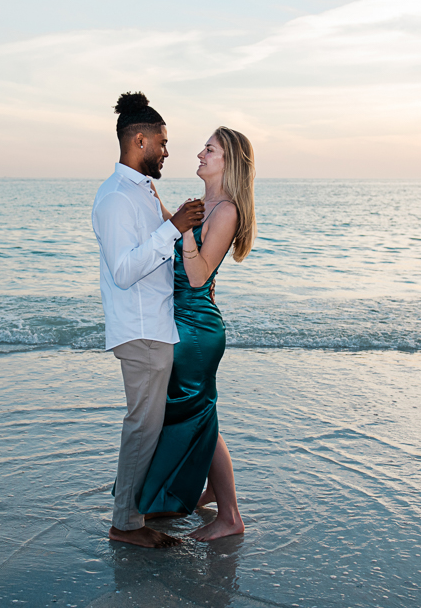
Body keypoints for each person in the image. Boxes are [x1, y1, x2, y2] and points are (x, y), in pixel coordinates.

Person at [91, 92, 205, 549]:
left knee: (150, 425)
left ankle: (144, 505)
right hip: (139, 329)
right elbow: (123, 271)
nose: (166, 151)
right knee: (142, 426)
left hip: (155, 325)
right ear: (139, 140)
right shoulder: (117, 197)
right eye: (161, 141)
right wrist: (172, 228)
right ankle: (126, 523)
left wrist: (178, 228)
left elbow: (161, 251)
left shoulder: (140, 190)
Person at [138, 126, 257, 541]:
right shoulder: (203, 204)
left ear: (230, 162)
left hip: (196, 330)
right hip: (180, 323)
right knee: (200, 417)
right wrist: (165, 211)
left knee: (198, 415)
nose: (200, 154)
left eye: (210, 150)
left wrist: (183, 228)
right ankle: (208, 494)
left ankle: (229, 517)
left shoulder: (226, 211)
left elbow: (197, 274)